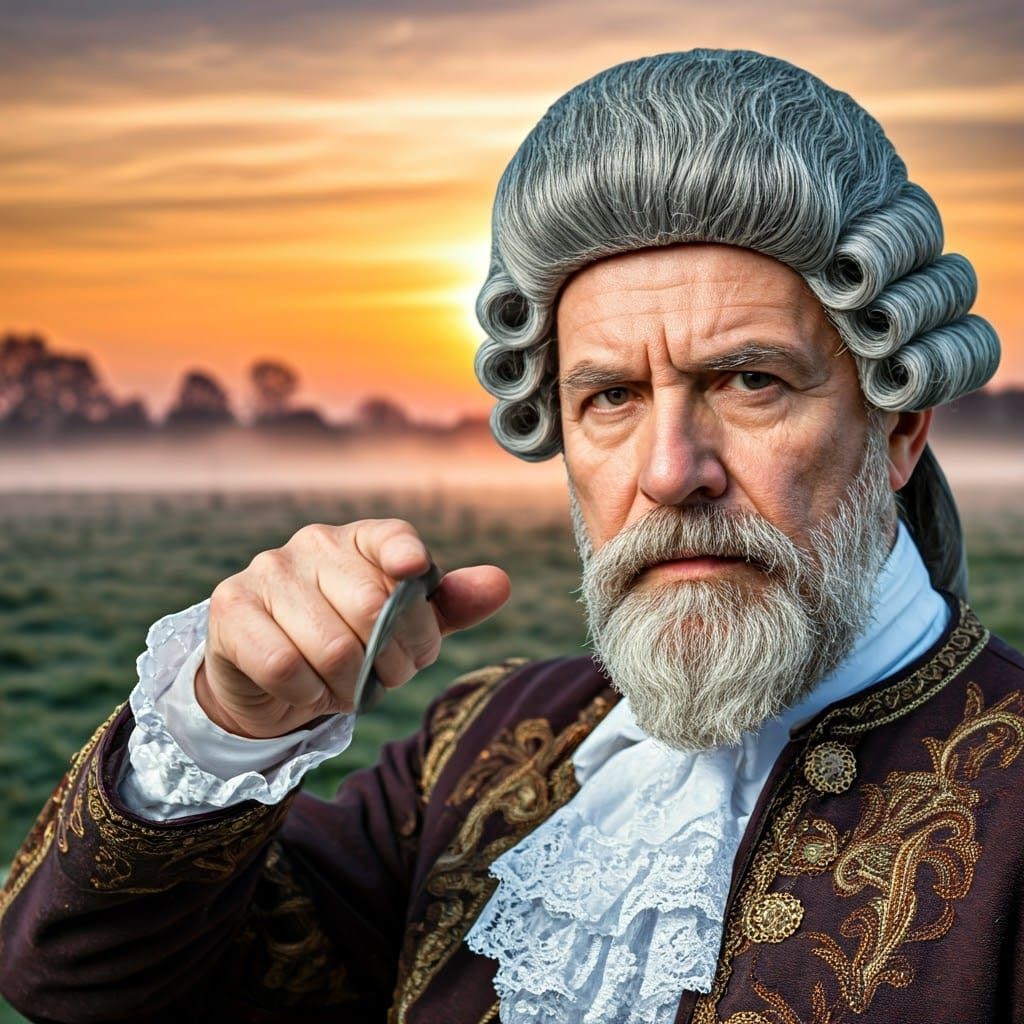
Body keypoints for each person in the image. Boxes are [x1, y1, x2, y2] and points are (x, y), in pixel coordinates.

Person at [0, 48, 1021, 1024]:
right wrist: (231, 718)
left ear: (898, 426)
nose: (670, 472)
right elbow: (93, 985)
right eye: (611, 397)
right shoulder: (474, 748)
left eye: (750, 380)